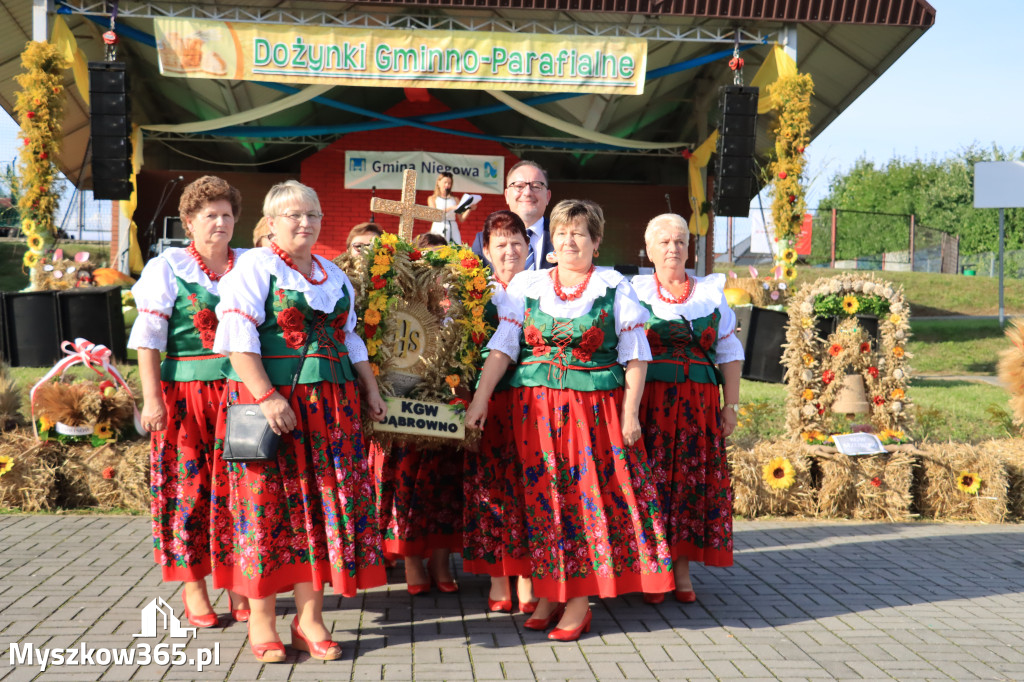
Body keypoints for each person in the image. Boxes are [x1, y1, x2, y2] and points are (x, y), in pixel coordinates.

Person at [466, 199, 672, 641]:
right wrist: (481, 399)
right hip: (534, 415)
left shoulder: (615, 288)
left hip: (591, 417)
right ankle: (548, 591)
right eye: (561, 233)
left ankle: (578, 600)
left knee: (583, 503)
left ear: (596, 243)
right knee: (543, 502)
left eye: (579, 233)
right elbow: (503, 347)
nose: (569, 240)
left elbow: (635, 356)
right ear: (552, 242)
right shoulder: (527, 285)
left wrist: (630, 413)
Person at [211, 180, 388, 664]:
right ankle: (264, 622)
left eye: (312, 214)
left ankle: (310, 619)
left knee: (324, 511)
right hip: (277, 410)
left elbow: (351, 341)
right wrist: (267, 397)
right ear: (270, 223)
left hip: (334, 412)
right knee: (269, 510)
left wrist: (370, 389)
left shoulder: (334, 274)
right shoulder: (254, 267)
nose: (304, 222)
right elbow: (237, 340)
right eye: (293, 215)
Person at [128, 175, 248, 628]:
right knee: (189, 490)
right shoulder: (168, 267)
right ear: (189, 221)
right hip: (188, 398)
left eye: (227, 214)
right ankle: (194, 584)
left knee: (241, 490)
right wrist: (152, 399)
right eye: (209, 215)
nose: (220, 223)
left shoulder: (250, 265)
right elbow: (147, 341)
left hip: (240, 395)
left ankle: (239, 580)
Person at [633, 214, 743, 603]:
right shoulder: (634, 292)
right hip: (651, 405)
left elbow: (729, 352)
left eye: (680, 241)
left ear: (689, 248)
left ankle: (681, 570)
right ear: (649, 250)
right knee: (652, 484)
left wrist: (731, 405)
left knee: (688, 486)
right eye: (663, 242)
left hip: (698, 407)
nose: (672, 248)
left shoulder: (711, 294)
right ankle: (653, 569)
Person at [461, 210, 537, 614]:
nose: (510, 251)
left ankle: (525, 574)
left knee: (526, 486)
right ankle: (497, 576)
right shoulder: (473, 290)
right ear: (486, 250)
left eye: (517, 243)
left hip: (530, 402)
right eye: (501, 244)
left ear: (529, 247)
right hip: (485, 401)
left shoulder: (543, 286)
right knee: (490, 484)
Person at [472, 160, 554, 271]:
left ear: (548, 196)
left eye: (536, 186)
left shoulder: (565, 237)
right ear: (507, 195)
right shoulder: (484, 240)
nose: (527, 193)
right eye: (519, 186)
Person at [427, 172, 471, 244]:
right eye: (445, 182)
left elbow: (461, 219)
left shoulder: (455, 199)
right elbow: (433, 215)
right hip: (439, 226)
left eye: (449, 183)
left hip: (452, 227)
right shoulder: (432, 198)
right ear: (438, 182)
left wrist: (469, 208)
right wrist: (450, 208)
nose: (447, 185)